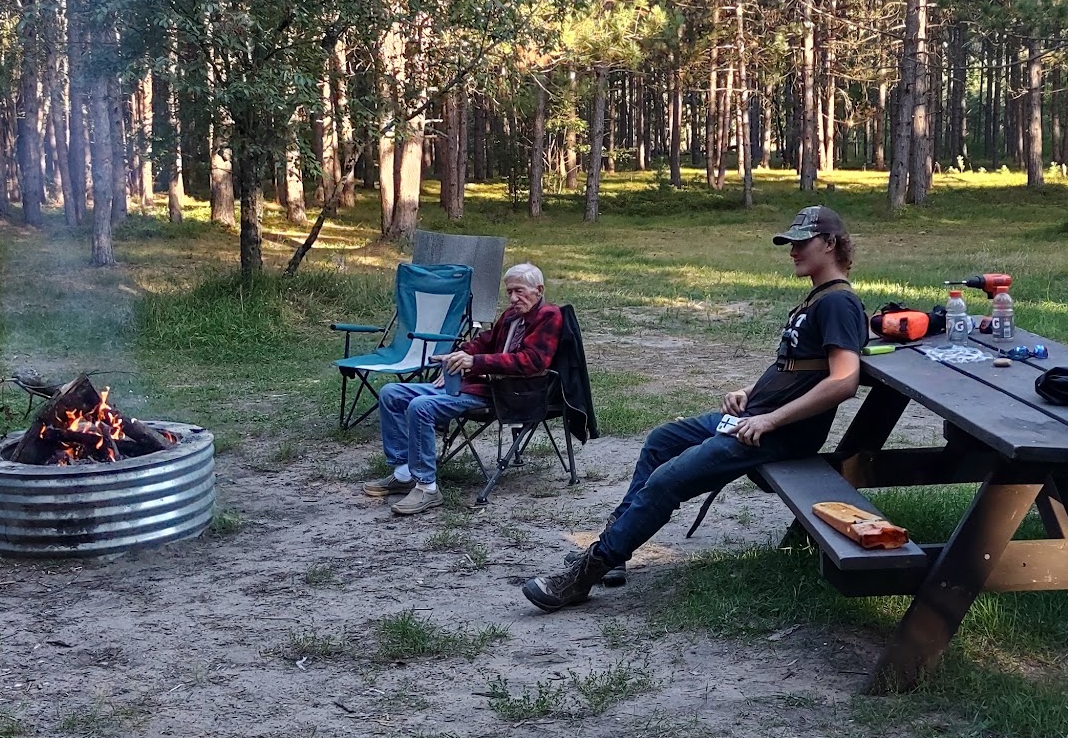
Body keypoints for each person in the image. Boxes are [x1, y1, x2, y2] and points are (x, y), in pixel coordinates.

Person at [521, 206, 865, 608]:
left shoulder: (839, 303)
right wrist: (749, 391)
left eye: (801, 242)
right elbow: (793, 365)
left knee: (668, 480)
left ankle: (585, 574)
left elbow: (843, 380)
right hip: (753, 417)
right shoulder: (819, 298)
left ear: (829, 243)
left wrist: (769, 419)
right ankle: (615, 547)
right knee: (662, 441)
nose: (792, 251)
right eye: (790, 243)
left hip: (775, 434)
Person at [364, 262, 563, 516]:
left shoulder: (549, 316)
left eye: (519, 291)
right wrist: (458, 356)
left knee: (421, 406)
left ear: (539, 289)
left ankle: (427, 487)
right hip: (483, 384)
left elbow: (532, 361)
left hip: (510, 394)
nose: (513, 298)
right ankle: (404, 474)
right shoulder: (512, 316)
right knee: (391, 393)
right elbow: (483, 342)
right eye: (509, 292)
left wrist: (475, 363)